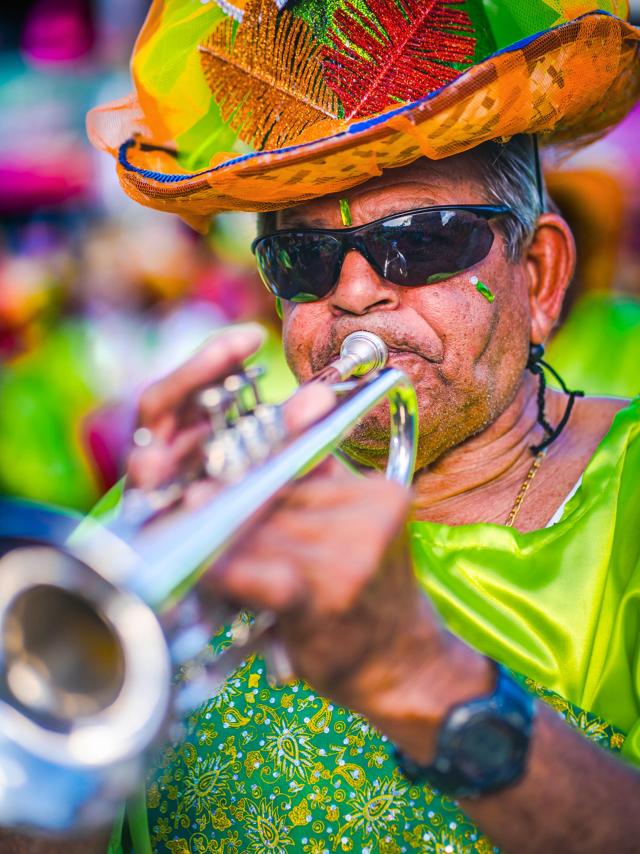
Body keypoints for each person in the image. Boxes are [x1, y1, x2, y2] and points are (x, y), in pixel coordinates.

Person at [3, 1, 640, 852]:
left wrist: (422, 676)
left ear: (540, 274)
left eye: (420, 242)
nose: (354, 293)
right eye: (301, 259)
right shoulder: (192, 505)